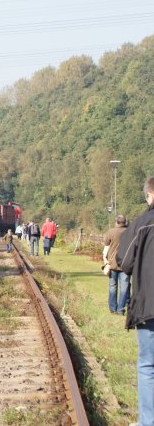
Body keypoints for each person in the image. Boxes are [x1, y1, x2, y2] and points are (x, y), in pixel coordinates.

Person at [116, 177, 154, 426]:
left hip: (149, 305)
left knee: (148, 365)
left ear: (149, 195)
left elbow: (124, 260)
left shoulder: (142, 224)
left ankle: (147, 422)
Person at [103, 214, 129, 315]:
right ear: (125, 222)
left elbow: (106, 243)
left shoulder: (111, 231)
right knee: (124, 287)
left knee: (113, 286)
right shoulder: (130, 231)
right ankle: (121, 309)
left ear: (116, 222)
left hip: (113, 262)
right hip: (126, 263)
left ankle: (113, 308)